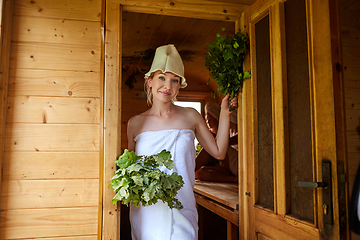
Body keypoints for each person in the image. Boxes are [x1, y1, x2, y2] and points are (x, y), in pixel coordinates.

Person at [126, 44, 237, 240]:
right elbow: (130, 170)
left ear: (179, 85)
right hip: (147, 212)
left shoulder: (191, 116)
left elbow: (219, 152)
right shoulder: (135, 124)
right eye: (162, 78)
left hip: (182, 206)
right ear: (149, 81)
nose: (167, 86)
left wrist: (225, 113)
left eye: (174, 80)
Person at [195, 102, 238, 183]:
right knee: (199, 173)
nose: (208, 124)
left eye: (209, 120)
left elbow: (238, 139)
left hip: (241, 165)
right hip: (231, 170)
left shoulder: (234, 126)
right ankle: (235, 179)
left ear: (217, 117)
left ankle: (188, 171)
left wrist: (221, 142)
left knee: (213, 145)